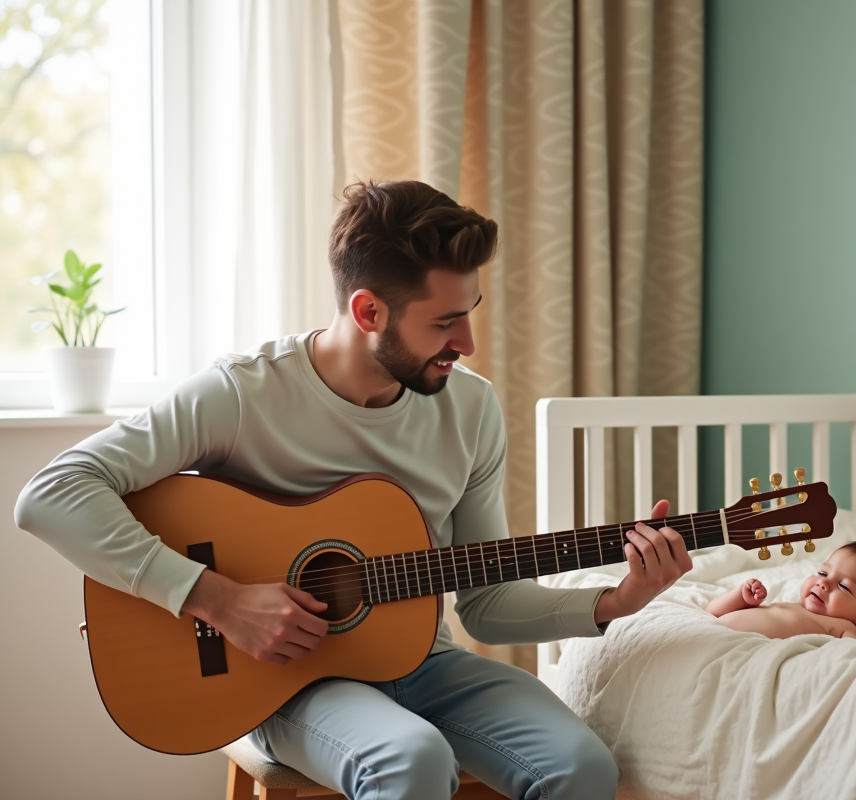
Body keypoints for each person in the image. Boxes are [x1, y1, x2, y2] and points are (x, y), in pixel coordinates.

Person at [14, 180, 694, 800]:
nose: (470, 342)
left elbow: (485, 604)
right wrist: (217, 599)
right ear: (368, 310)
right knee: (411, 759)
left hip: (421, 661)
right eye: (444, 322)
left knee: (581, 766)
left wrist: (619, 599)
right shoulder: (242, 394)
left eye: (472, 311)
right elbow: (52, 492)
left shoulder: (471, 410)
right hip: (280, 678)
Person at [705, 541, 856, 660]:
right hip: (710, 638)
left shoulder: (842, 627)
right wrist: (740, 597)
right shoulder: (790, 604)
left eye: (843, 586)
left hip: (743, 655)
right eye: (823, 573)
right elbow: (712, 611)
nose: (823, 584)